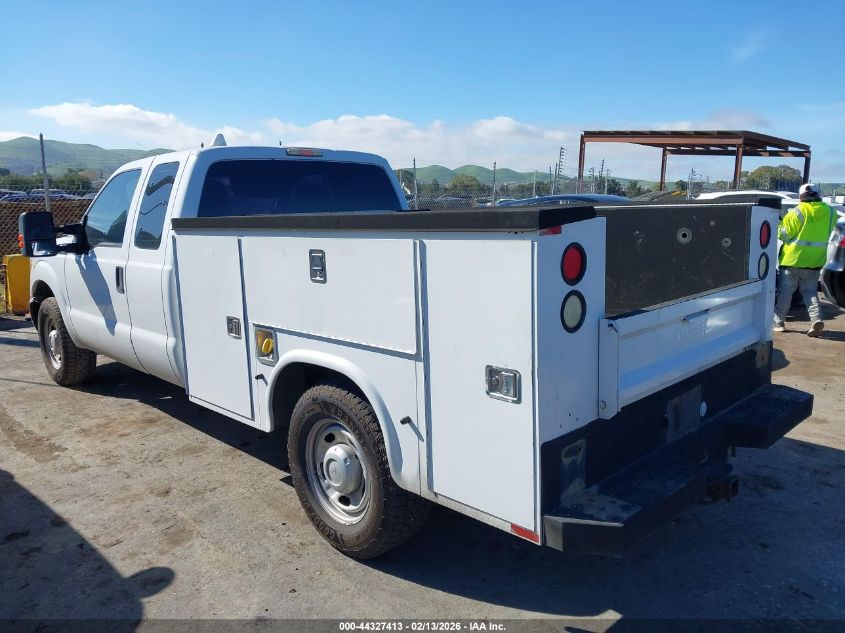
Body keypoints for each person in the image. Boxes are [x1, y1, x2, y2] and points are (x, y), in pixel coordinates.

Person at [773, 183, 836, 336]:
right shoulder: (830, 212)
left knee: (786, 292)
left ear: (801, 197)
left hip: (793, 259)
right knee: (810, 292)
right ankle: (816, 319)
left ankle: (779, 322)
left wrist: (778, 224)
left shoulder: (797, 212)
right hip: (814, 260)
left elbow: (785, 235)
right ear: (817, 194)